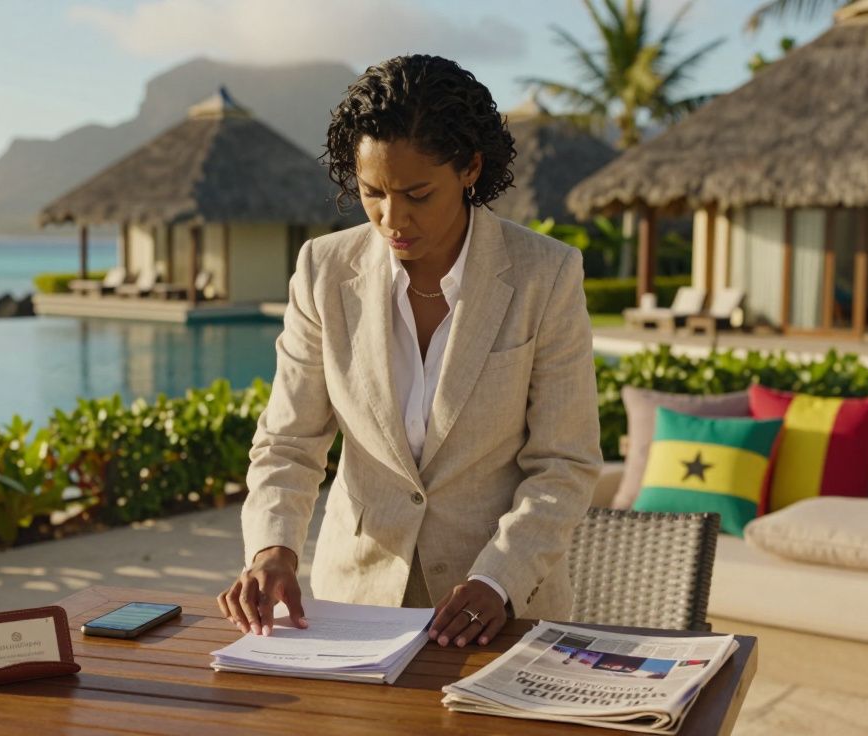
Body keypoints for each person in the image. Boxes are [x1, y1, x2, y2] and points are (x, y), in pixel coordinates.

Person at [216, 54, 602, 649]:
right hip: (356, 604)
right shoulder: (322, 271)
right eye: (372, 193)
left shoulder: (545, 274)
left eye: (417, 194)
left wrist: (498, 578)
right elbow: (289, 442)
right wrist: (273, 549)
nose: (392, 219)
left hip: (503, 609)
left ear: (470, 167)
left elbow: (564, 463)